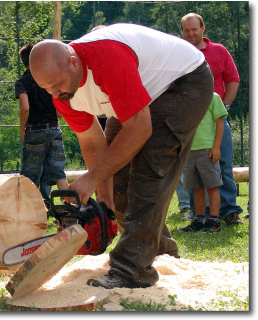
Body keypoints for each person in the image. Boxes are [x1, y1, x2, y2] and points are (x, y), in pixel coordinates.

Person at [29, 23, 213, 289]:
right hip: (139, 92)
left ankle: (131, 270)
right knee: (118, 180)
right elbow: (92, 142)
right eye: (46, 89)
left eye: (56, 85)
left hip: (183, 81)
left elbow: (140, 127)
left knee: (150, 169)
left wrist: (91, 178)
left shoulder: (105, 57)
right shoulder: (60, 94)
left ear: (73, 62)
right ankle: (161, 254)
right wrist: (104, 198)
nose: (54, 94)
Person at [180, 13, 243, 225]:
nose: (191, 34)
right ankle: (199, 214)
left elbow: (233, 79)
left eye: (194, 29)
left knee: (223, 163)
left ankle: (229, 211)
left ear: (203, 28)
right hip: (190, 119)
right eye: (186, 30)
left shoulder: (219, 50)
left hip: (216, 117)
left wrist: (223, 107)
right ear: (182, 32)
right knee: (192, 167)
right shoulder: (178, 53)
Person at [15, 42, 69, 210]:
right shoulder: (48, 78)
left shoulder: (22, 82)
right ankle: (69, 207)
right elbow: (59, 105)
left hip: (34, 130)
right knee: (58, 171)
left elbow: (25, 108)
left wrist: (22, 128)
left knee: (30, 174)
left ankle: (25, 210)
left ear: (24, 62)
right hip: (53, 127)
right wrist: (57, 118)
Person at [180, 93, 228, 233]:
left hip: (207, 149)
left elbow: (220, 123)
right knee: (196, 187)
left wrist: (217, 146)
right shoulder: (185, 98)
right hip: (189, 150)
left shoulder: (213, 97)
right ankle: (199, 219)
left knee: (212, 186)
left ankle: (214, 221)